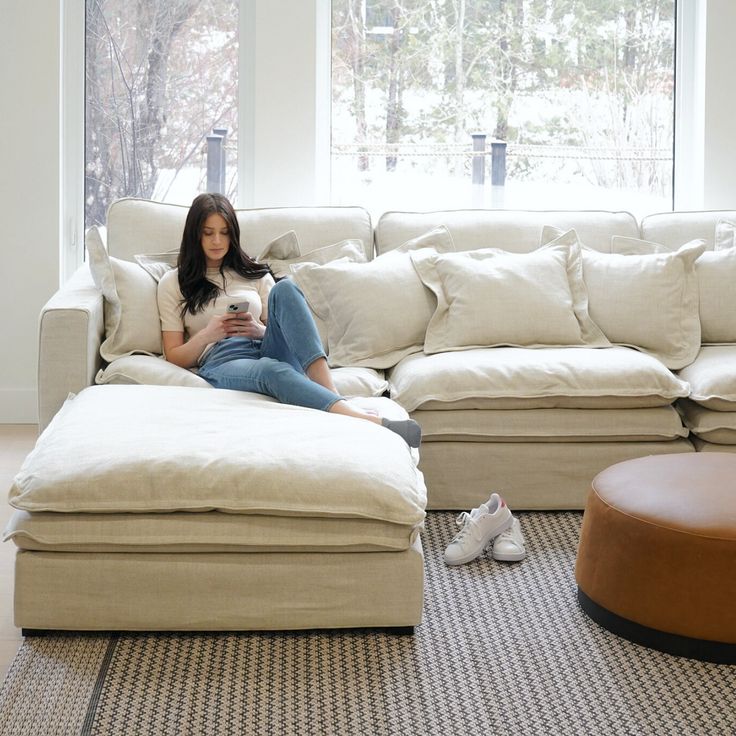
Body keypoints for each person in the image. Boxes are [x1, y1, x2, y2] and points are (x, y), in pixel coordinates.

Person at [157, 192, 421, 447]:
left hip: (263, 345)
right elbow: (174, 355)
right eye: (208, 232)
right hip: (223, 359)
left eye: (224, 232)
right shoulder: (174, 283)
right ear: (195, 235)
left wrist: (258, 330)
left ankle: (332, 395)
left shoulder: (253, 274)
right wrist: (208, 335)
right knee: (271, 370)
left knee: (286, 288)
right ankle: (365, 420)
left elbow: (284, 329)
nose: (217, 240)